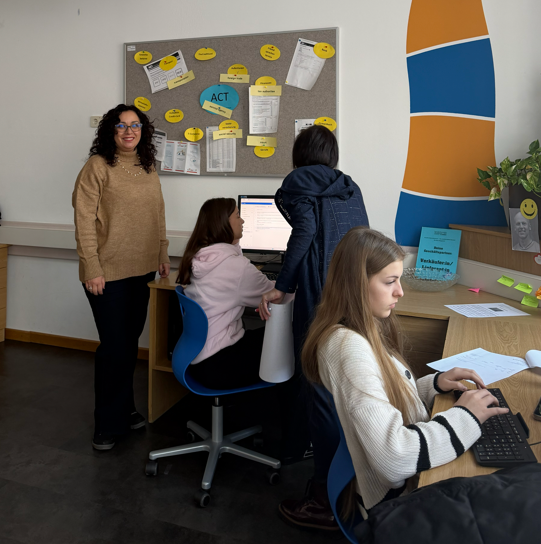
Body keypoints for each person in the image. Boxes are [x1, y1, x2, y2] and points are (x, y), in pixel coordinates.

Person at [302, 226, 509, 517]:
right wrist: (466, 417)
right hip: (395, 504)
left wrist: (433, 385)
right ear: (356, 284)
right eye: (390, 282)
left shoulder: (358, 329)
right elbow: (394, 457)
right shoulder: (349, 348)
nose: (400, 291)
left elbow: (383, 399)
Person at [260, 124, 369, 532]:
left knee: (319, 390)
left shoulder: (297, 182)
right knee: (343, 389)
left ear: (300, 155)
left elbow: (303, 232)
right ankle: (346, 483)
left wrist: (282, 285)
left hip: (318, 296)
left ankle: (326, 500)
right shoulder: (350, 188)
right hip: (352, 296)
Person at [73, 104, 170, 451]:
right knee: (114, 348)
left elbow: (158, 214)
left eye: (135, 125)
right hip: (107, 274)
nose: (129, 131)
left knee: (128, 345)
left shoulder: (148, 166)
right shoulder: (97, 167)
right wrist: (92, 267)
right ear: (110, 131)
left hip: (142, 269)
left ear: (143, 131)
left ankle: (125, 409)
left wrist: (162, 254)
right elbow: (84, 220)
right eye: (121, 125)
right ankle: (107, 423)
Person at [177, 198, 275, 389]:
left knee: (270, 335)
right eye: (238, 216)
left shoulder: (200, 257)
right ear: (222, 224)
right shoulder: (236, 267)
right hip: (219, 365)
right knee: (292, 338)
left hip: (196, 357)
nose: (243, 221)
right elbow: (277, 296)